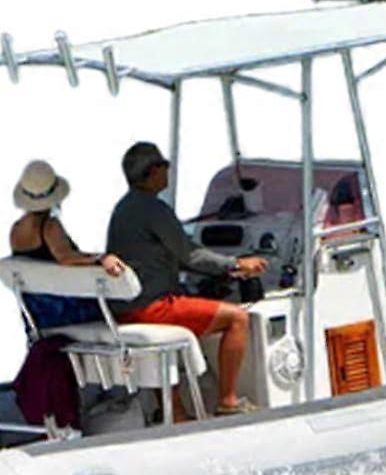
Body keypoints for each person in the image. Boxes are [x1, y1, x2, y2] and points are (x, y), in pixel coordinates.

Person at [106, 142, 267, 418]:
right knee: (237, 318)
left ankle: (176, 414)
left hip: (125, 309)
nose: (167, 171)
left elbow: (172, 256)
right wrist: (236, 264)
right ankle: (228, 402)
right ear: (152, 171)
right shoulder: (154, 209)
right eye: (164, 166)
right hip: (152, 307)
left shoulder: (123, 208)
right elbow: (190, 255)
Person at [9, 159, 128, 330]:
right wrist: (102, 258)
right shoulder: (50, 226)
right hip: (63, 313)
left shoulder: (15, 231)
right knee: (125, 305)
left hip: (37, 316)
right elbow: (66, 258)